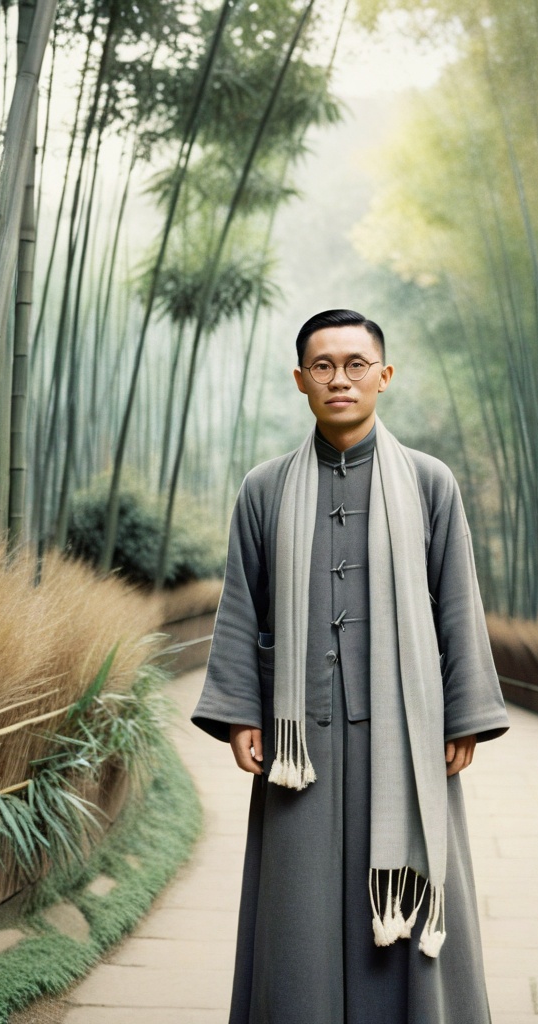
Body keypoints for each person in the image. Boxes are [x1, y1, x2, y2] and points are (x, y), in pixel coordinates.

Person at [192, 309, 509, 1024]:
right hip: (297, 740)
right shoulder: (264, 489)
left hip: (407, 733)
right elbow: (242, 608)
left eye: (356, 364)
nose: (341, 379)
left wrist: (465, 716)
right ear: (301, 380)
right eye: (324, 366)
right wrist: (241, 709)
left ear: (384, 376)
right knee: (296, 913)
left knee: (412, 906)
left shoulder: (430, 483)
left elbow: (458, 603)